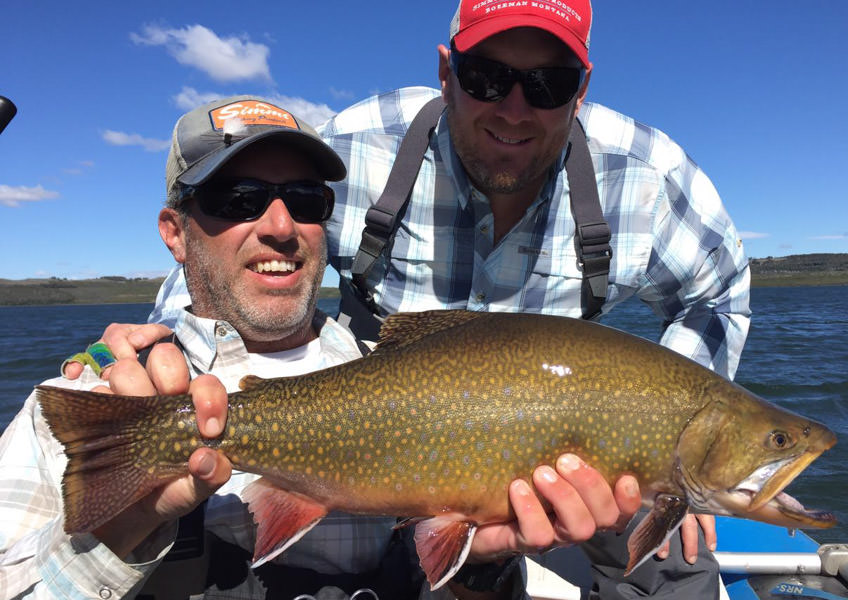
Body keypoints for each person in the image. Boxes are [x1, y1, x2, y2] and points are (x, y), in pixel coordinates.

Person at [68, 1, 750, 597]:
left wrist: (677, 466)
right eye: (487, 77)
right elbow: (240, 243)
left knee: (682, 568)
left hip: (564, 423)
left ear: (582, 90)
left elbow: (718, 294)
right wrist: (150, 354)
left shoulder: (649, 177)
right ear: (446, 72)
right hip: (385, 423)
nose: (514, 109)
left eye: (548, 84)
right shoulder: (356, 148)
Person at [1, 96, 641, 600]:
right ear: (175, 233)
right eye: (239, 200)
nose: (280, 226)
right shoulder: (97, 395)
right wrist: (115, 536)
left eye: (306, 200)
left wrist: (483, 572)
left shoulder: (408, 379)